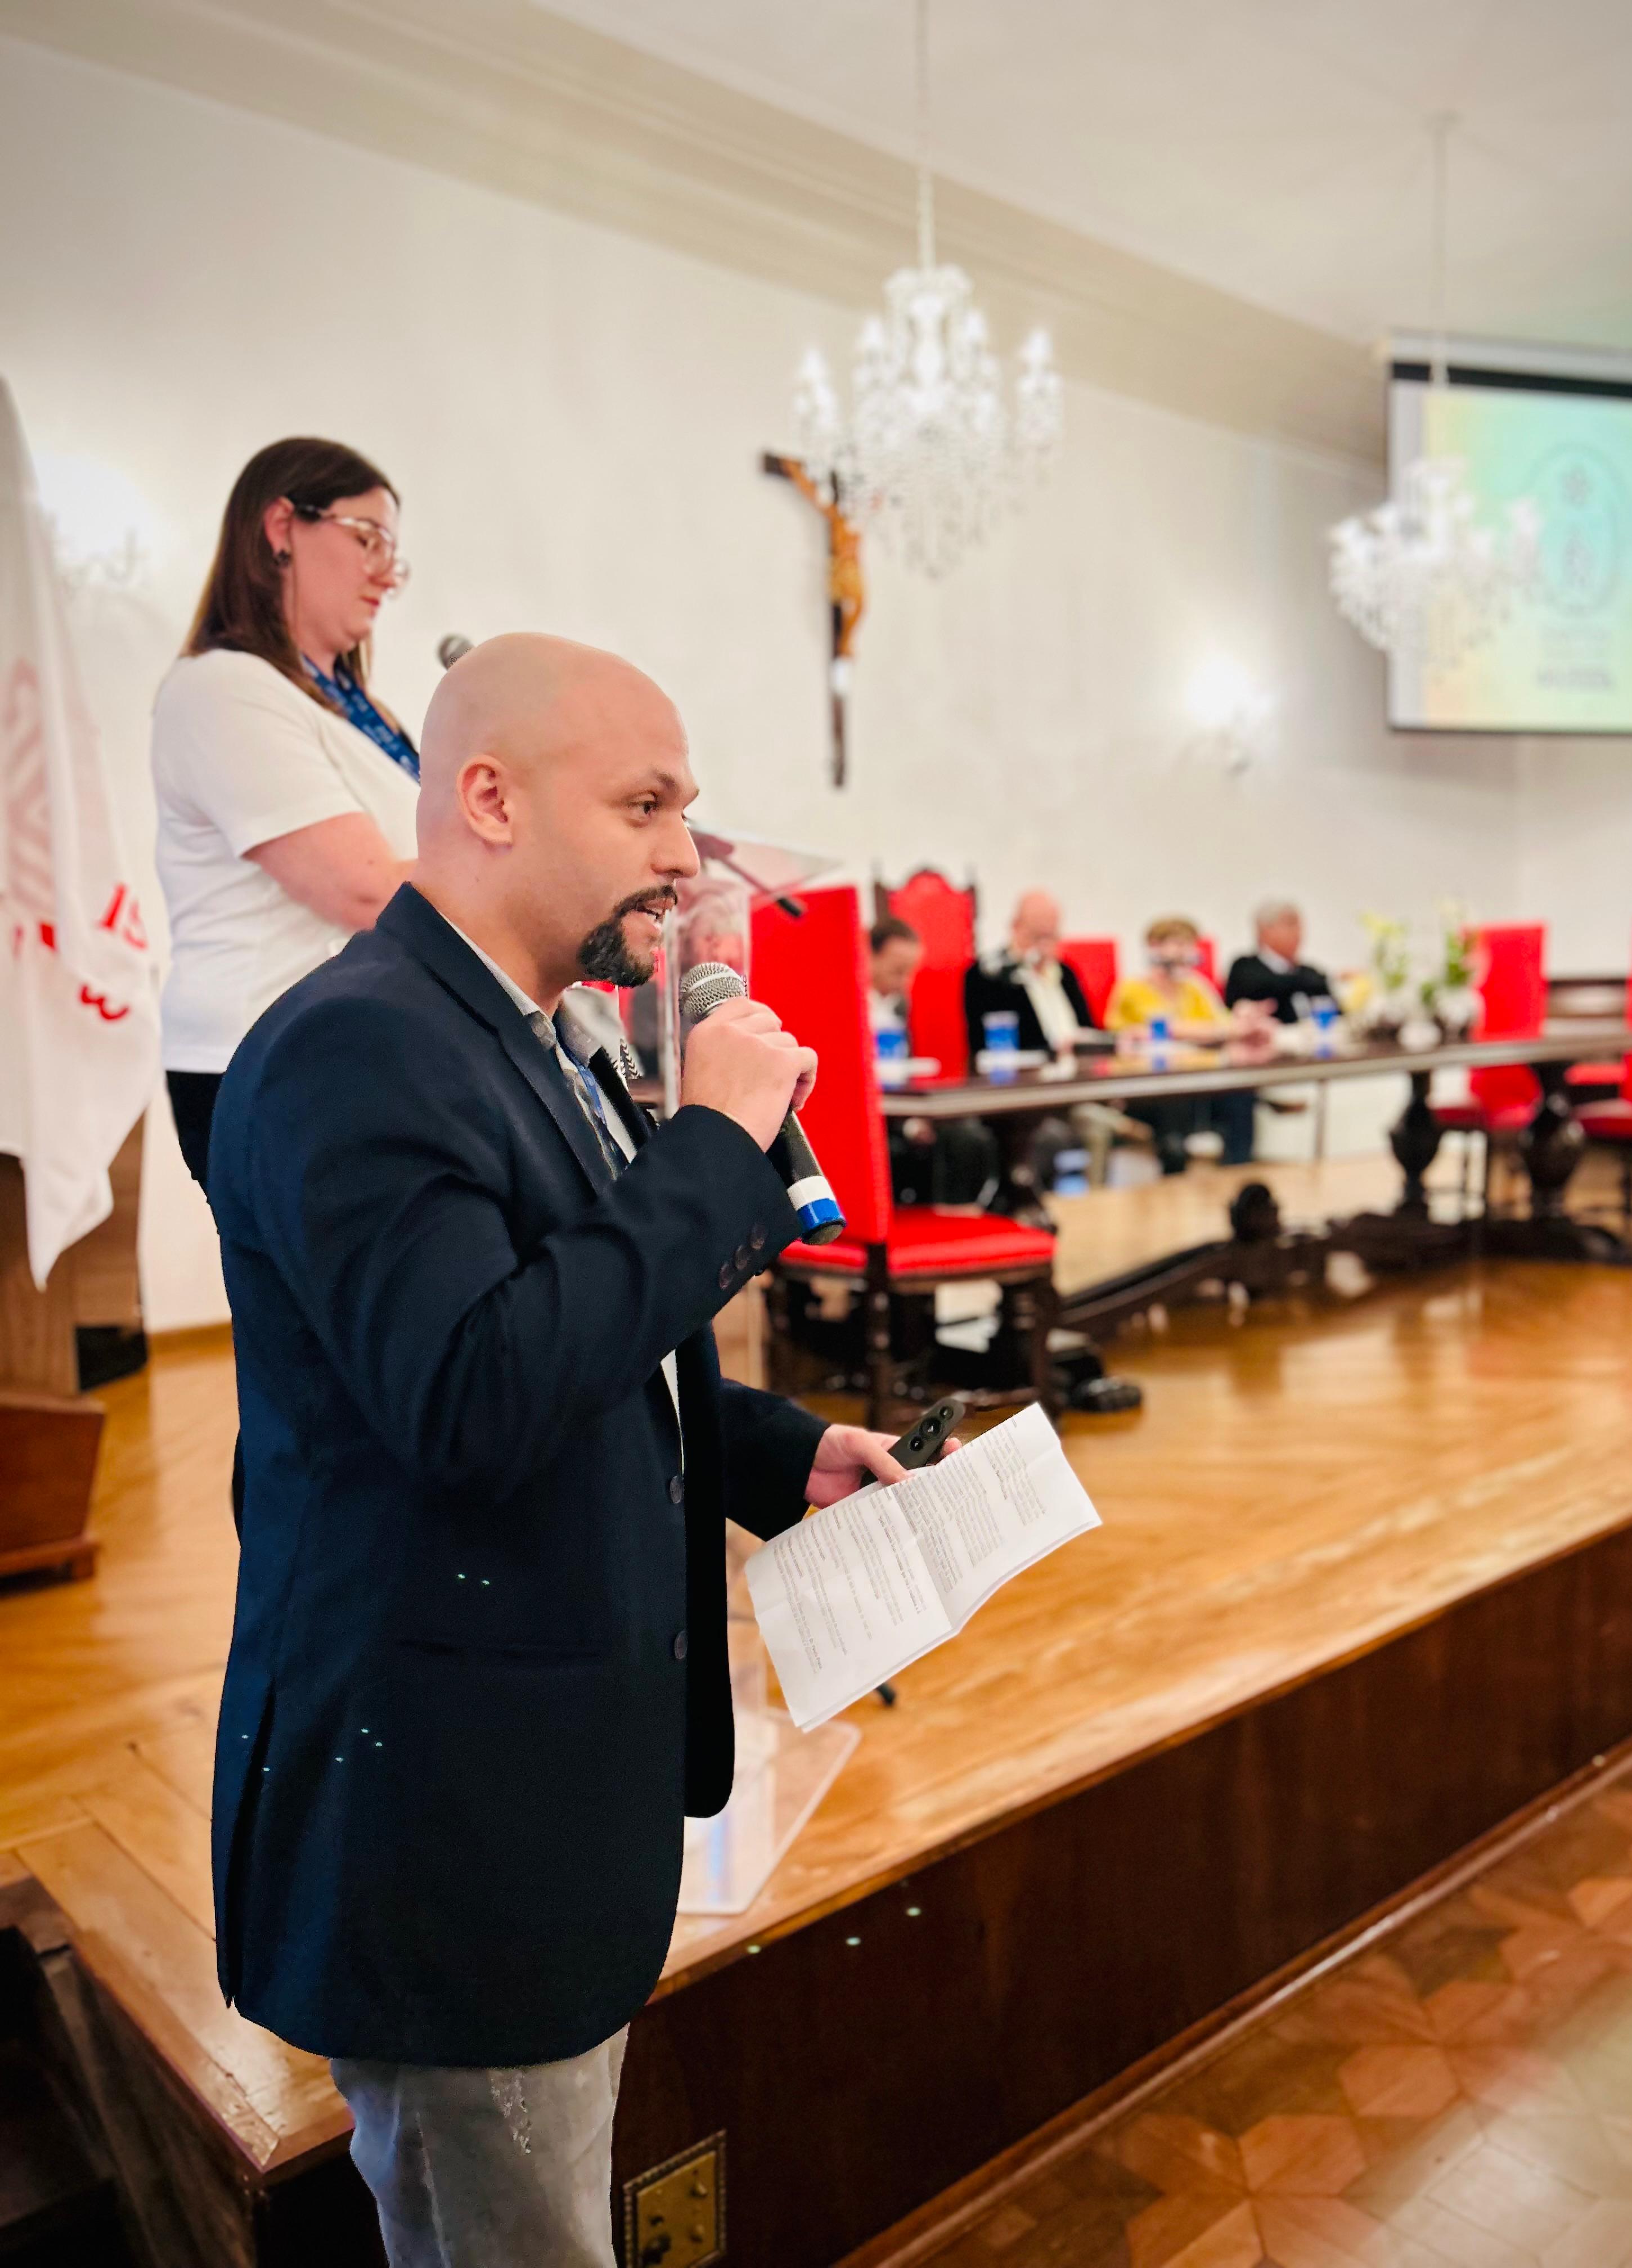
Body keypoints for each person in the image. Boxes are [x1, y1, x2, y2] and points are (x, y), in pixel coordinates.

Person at [205, 633, 910, 2268]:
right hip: (445, 1828)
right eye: (647, 804)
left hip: (537, 1792)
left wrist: (774, 1453)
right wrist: (717, 1146)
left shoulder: (529, 1033)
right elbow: (474, 1393)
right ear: (491, 799)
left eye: (687, 808)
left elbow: (587, 1332)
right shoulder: (354, 1047)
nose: (684, 851)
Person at [151, 436, 418, 1187]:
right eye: (367, 539)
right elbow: (364, 891)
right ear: (281, 528)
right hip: (269, 1053)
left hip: (360, 1042)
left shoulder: (364, 710)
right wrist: (544, 879)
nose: (386, 573)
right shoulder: (224, 688)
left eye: (393, 553)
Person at [1107, 916, 1260, 1170]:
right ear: (1155, 947)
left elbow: (1224, 1025)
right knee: (1173, 1103)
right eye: (1178, 944)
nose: (1185, 953)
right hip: (1150, 1087)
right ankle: (1174, 1176)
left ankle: (1239, 1172)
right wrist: (1198, 1031)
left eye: (1190, 946)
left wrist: (1242, 1019)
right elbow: (1138, 1033)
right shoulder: (1132, 989)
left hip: (1197, 1080)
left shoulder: (1195, 987)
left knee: (1240, 1094)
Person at [867, 916, 995, 1207]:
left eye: (909, 972)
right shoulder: (851, 1004)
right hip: (874, 1116)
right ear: (870, 957)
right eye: (897, 971)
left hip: (902, 1106)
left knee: (970, 1135)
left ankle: (959, 1215)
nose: (904, 981)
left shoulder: (899, 1004)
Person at [964, 889, 1095, 1058]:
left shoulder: (1066, 973)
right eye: (1036, 937)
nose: (1044, 947)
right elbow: (989, 1046)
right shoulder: (988, 976)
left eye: (1050, 937)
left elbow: (1088, 1029)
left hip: (1081, 1067)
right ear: (1016, 927)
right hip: (1030, 1071)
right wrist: (1053, 1052)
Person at [1224, 899, 1337, 1027]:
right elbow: (1270, 987)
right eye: (1290, 924)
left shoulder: (1309, 973)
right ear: (1265, 931)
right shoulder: (1244, 968)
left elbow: (1334, 1009)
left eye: (1299, 926)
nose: (1298, 932)